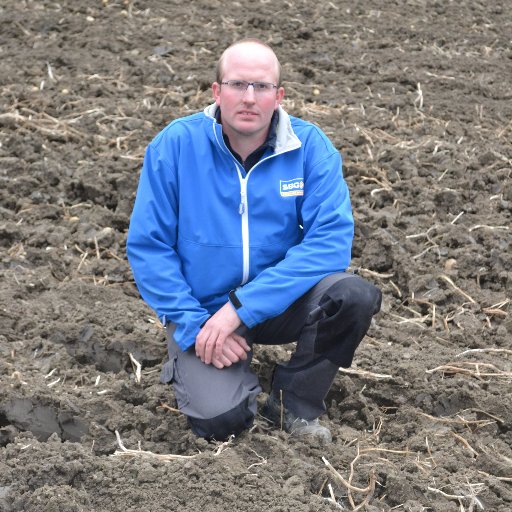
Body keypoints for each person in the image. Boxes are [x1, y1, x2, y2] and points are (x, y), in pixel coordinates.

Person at [126, 38, 381, 443]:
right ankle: (206, 370)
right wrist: (194, 325)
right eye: (237, 84)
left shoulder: (310, 147)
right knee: (221, 422)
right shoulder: (175, 146)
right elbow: (149, 247)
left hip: (279, 302)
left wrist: (241, 309)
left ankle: (294, 401)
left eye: (261, 87)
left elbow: (329, 243)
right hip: (204, 311)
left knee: (353, 296)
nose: (249, 97)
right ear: (216, 91)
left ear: (278, 96)